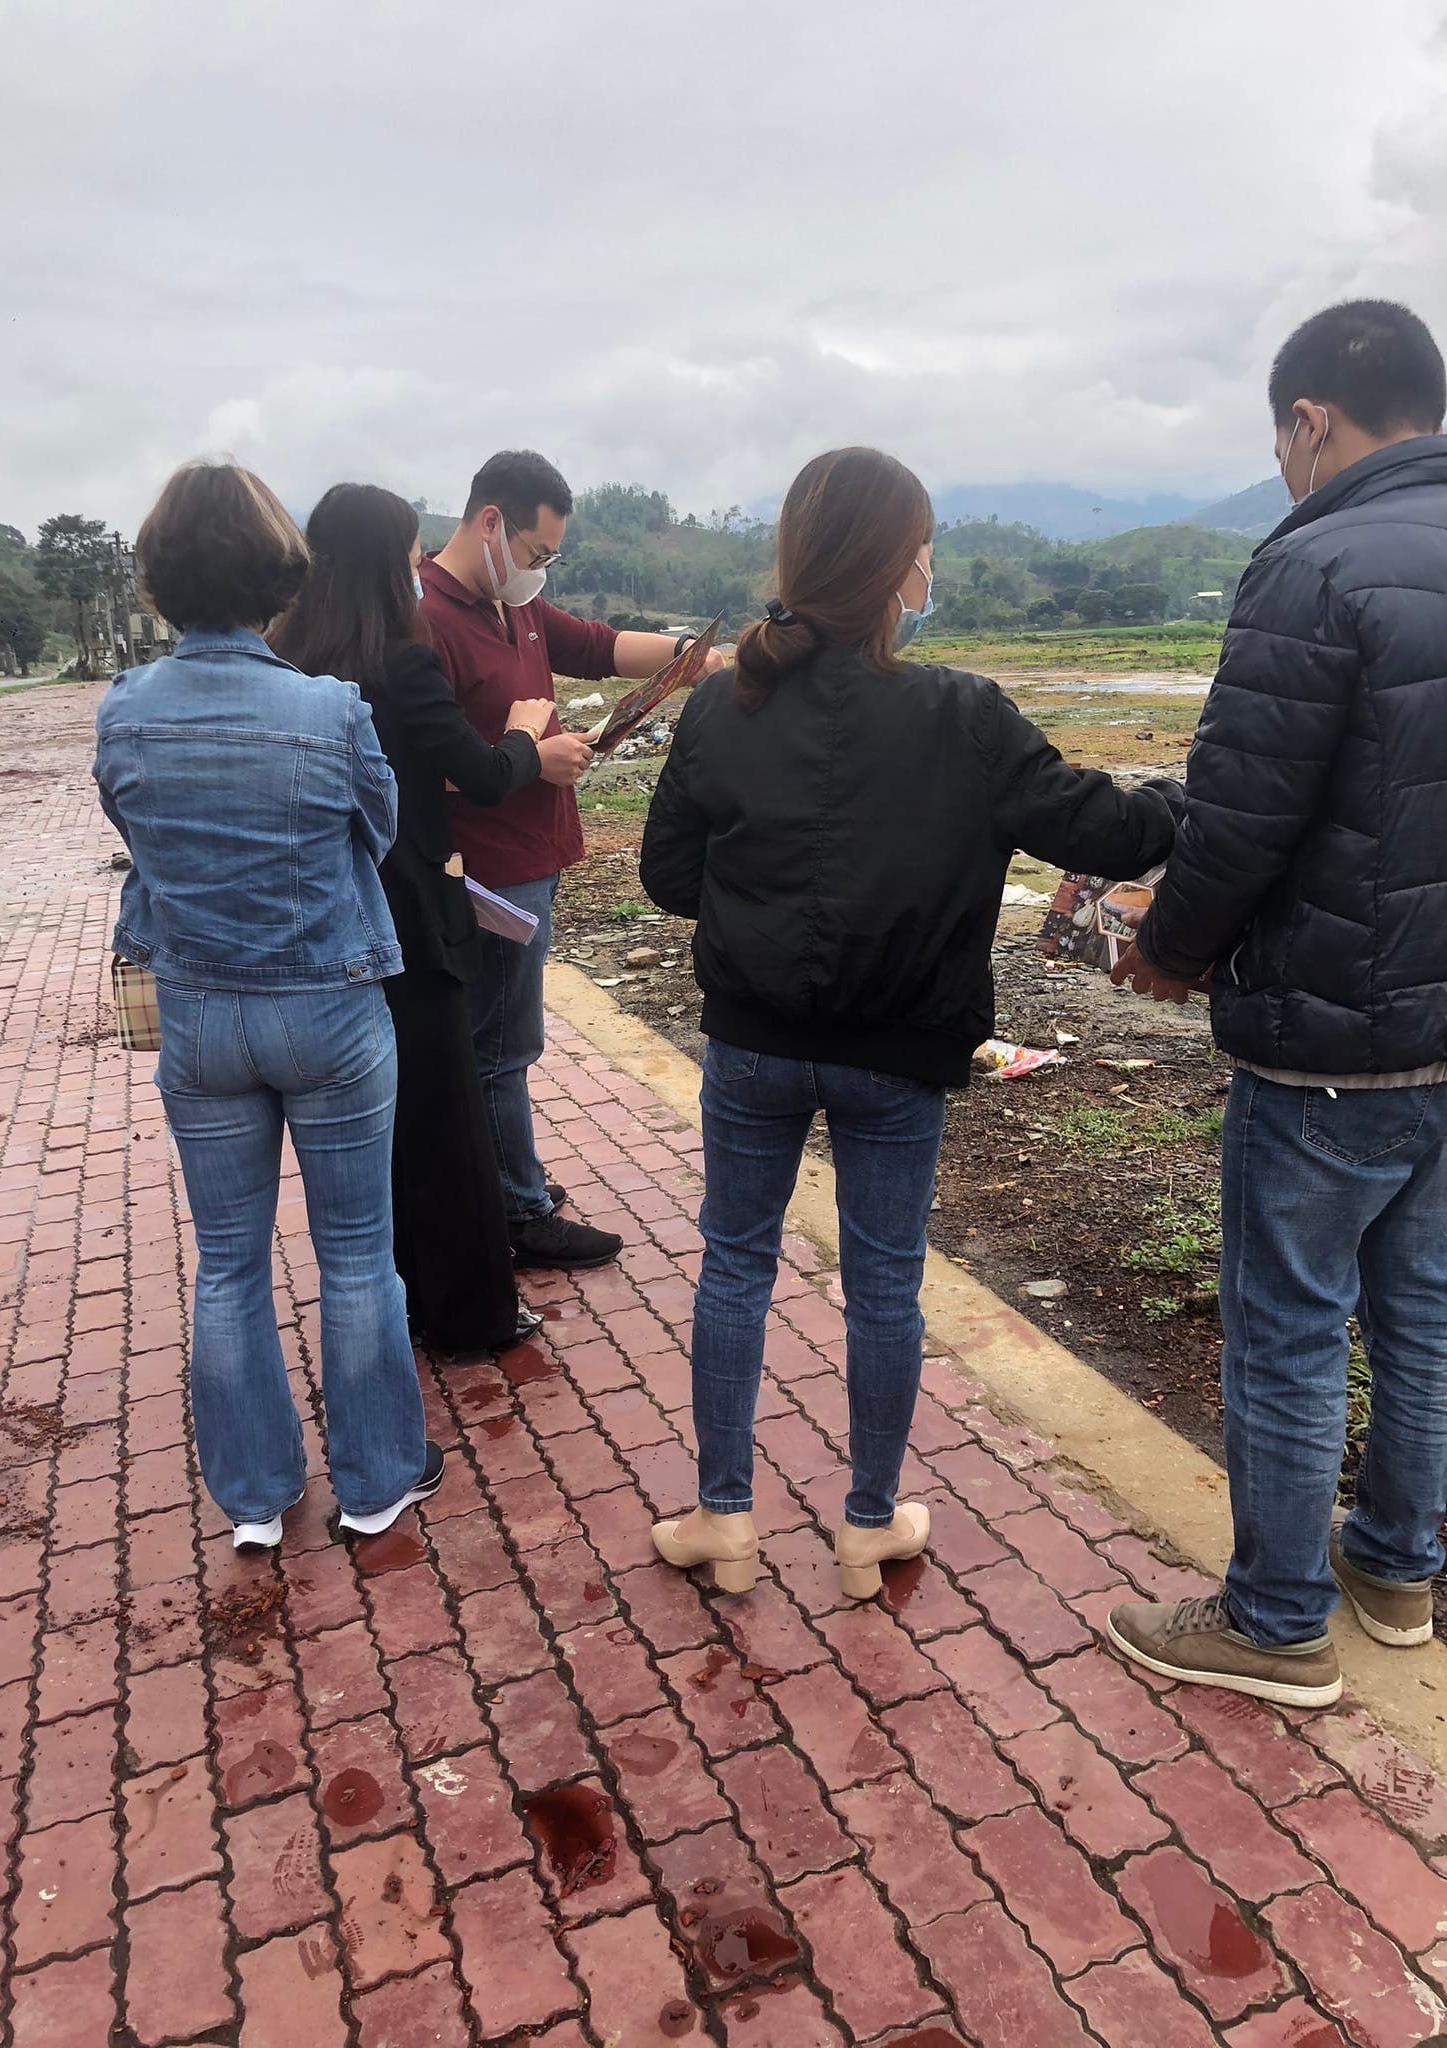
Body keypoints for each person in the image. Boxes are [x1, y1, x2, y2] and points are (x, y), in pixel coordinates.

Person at [639, 446, 1182, 1600]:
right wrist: (1192, 793)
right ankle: (870, 1522)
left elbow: (668, 877)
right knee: (884, 1284)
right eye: (923, 549)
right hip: (899, 1055)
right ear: (897, 567)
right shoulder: (964, 713)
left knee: (734, 1263)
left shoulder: (723, 705)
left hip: (752, 1043)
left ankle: (722, 1516)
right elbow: (1107, 831)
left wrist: (762, 897)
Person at [1107, 299, 1447, 1708]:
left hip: (1329, 1041)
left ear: (1310, 420)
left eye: (1281, 439)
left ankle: (1276, 1619)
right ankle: (1398, 1567)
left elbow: (1241, 817)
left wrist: (1167, 950)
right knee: (1424, 1308)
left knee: (1294, 1323)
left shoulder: (1313, 565)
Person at [94, 462, 440, 1551]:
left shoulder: (125, 711)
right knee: (357, 1254)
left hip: (199, 1014)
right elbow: (377, 832)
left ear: (161, 578)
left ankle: (253, 1498)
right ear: (279, 575)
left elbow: (133, 832)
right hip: (328, 1006)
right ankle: (375, 1482)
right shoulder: (328, 709)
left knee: (230, 1261)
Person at [269, 483, 592, 1355]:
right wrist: (524, 735)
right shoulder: (400, 659)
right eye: (410, 551)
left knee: (374, 1129)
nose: (419, 566)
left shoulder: (288, 658)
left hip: (325, 913)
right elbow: (480, 777)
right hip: (412, 910)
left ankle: (398, 1294)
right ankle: (467, 1314)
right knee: (444, 1116)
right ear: (386, 561)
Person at [421, 449, 726, 1271]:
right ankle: (517, 1211)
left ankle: (507, 1180)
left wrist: (693, 657)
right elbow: (417, 760)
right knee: (499, 1044)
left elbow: (597, 646)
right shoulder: (427, 617)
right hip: (486, 869)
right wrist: (532, 759)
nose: (540, 572)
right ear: (491, 523)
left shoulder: (514, 604)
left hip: (533, 855)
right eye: (536, 552)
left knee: (504, 1036)